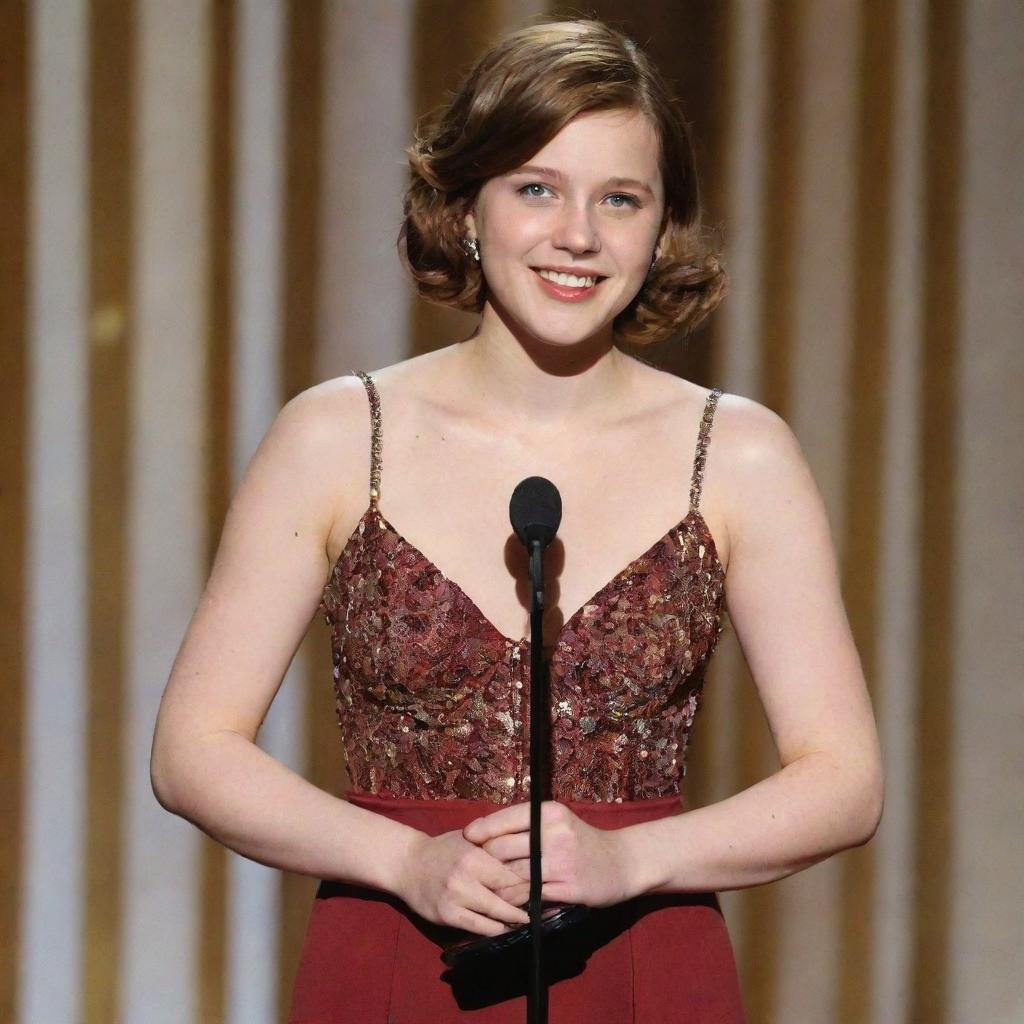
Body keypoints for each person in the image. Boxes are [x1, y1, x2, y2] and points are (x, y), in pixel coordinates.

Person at [151, 16, 883, 1023]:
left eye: (618, 199)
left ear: (663, 229)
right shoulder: (334, 435)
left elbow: (843, 780)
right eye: (537, 187)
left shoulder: (740, 454)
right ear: (464, 207)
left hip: (642, 961)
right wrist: (405, 859)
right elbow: (194, 747)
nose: (577, 233)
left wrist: (633, 856)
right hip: (393, 953)